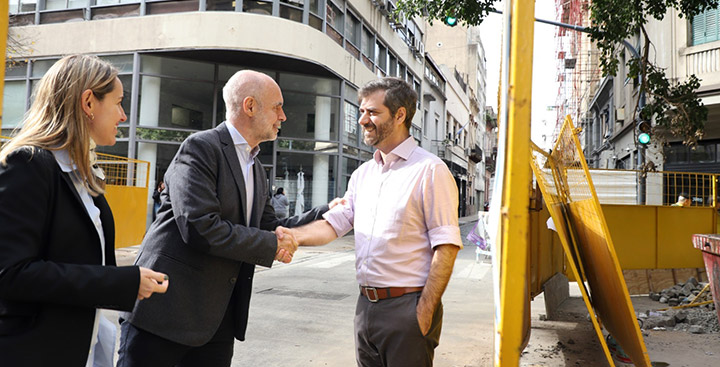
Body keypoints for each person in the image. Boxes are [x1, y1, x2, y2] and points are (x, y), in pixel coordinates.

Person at [117, 70, 338, 367]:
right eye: (277, 106)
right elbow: (200, 227)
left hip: (217, 322)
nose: (283, 116)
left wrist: (328, 212)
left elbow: (270, 226)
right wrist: (273, 244)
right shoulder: (200, 148)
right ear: (249, 106)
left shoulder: (257, 168)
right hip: (165, 314)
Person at [278, 77, 462, 366]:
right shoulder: (363, 174)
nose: (362, 120)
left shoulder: (430, 170)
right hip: (365, 306)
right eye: (362, 111)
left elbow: (447, 246)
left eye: (372, 112)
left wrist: (424, 310)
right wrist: (293, 237)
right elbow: (335, 223)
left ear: (400, 115)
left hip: (407, 308)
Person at [0, 54, 169, 367]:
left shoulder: (80, 173)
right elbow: (12, 273)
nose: (123, 116)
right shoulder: (27, 165)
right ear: (88, 103)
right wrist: (122, 283)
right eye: (118, 102)